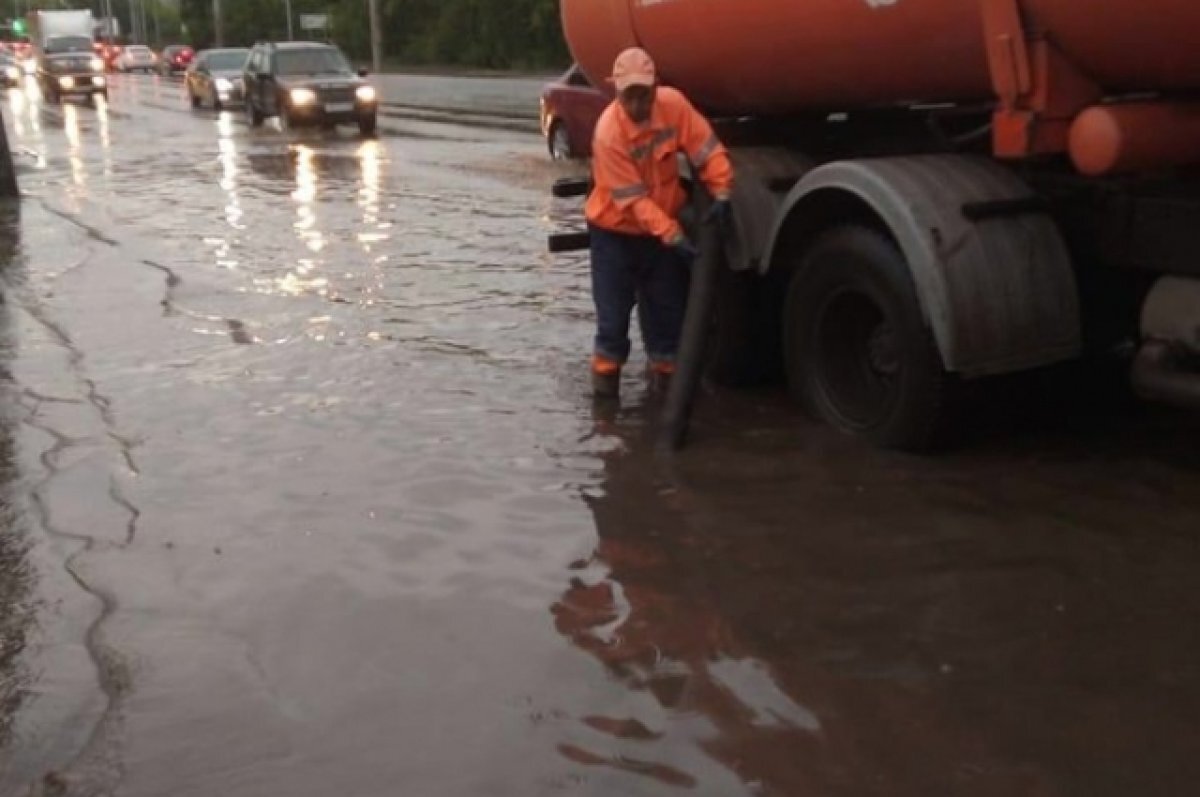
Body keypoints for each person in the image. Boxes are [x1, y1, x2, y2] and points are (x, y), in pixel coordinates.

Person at [585, 47, 734, 398]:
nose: (638, 105)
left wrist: (723, 191)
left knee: (668, 319)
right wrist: (674, 236)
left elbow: (706, 149)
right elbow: (634, 202)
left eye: (644, 95)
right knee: (613, 324)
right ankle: (606, 413)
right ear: (617, 92)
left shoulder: (674, 106)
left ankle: (664, 395)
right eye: (630, 97)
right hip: (614, 236)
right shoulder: (608, 133)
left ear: (655, 88)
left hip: (657, 236)